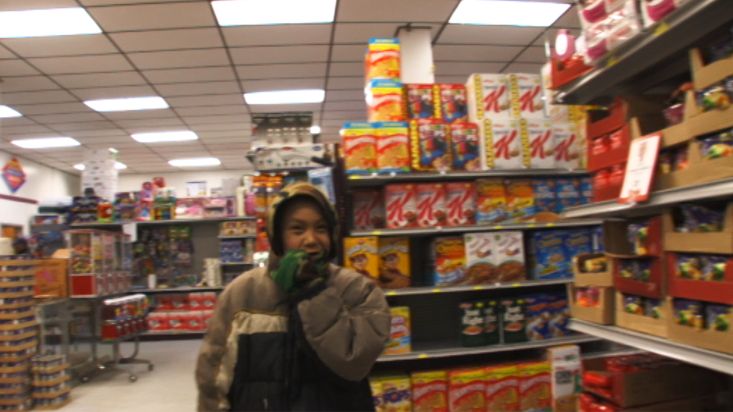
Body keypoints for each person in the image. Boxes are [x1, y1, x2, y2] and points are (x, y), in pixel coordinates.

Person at [196, 182, 390, 411]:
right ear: (277, 236)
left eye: (321, 228)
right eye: (297, 230)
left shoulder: (358, 290)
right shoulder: (242, 292)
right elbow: (213, 376)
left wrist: (313, 294)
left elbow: (354, 361)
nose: (310, 239)